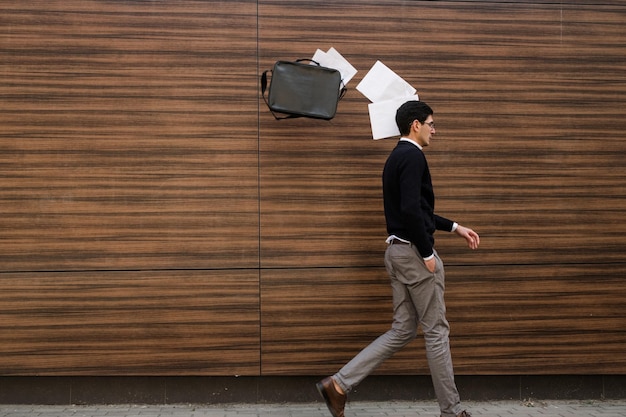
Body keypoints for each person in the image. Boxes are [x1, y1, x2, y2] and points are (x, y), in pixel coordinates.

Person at [316, 100, 480, 417]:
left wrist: (456, 227)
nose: (435, 129)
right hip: (413, 253)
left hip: (395, 252)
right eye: (431, 123)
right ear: (415, 125)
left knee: (403, 330)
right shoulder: (414, 156)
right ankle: (452, 411)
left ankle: (338, 384)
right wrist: (427, 252)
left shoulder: (395, 158)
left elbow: (415, 210)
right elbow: (410, 211)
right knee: (436, 332)